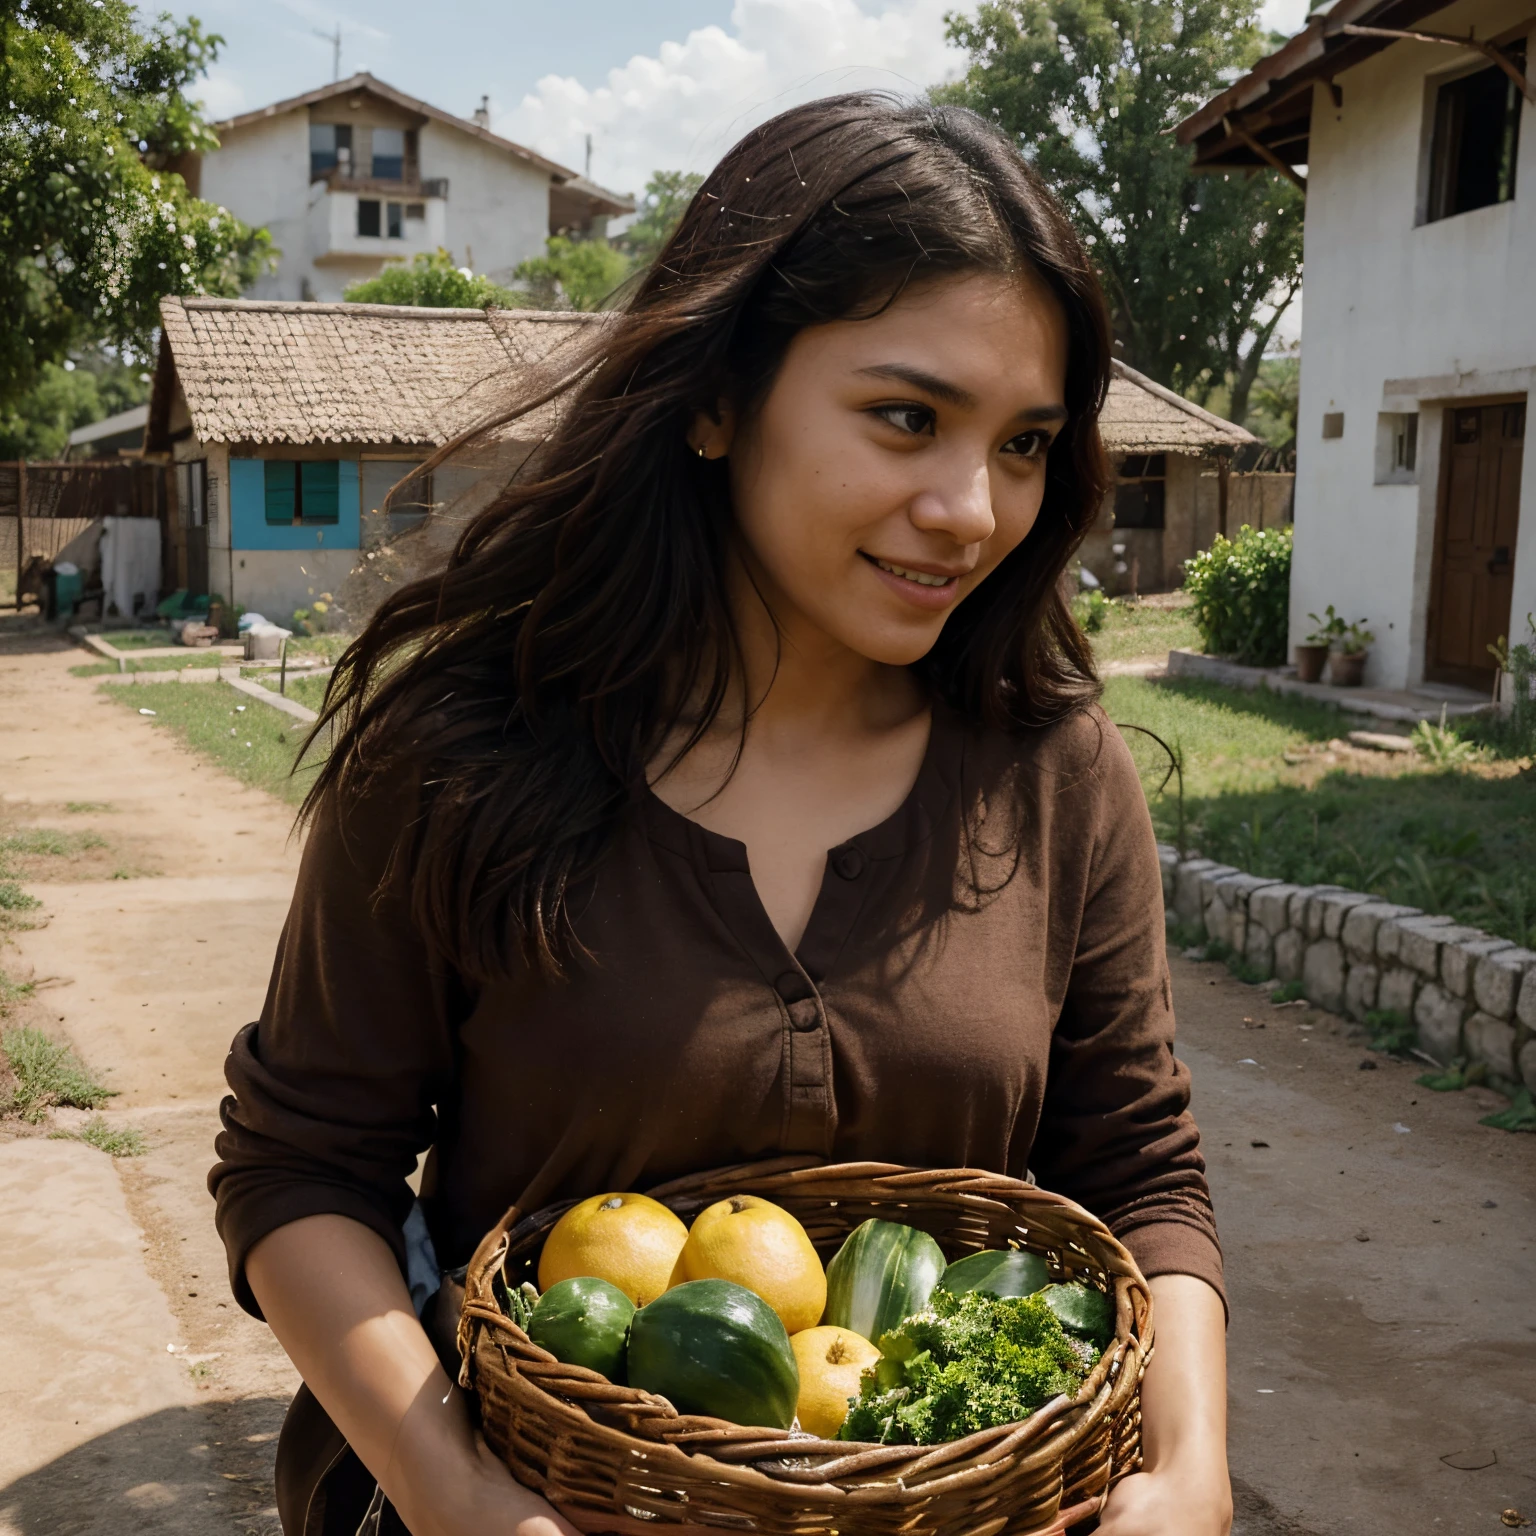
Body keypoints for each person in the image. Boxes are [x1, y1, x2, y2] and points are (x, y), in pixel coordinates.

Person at [211, 93, 1231, 1536]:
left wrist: (1188, 1478)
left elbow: (1139, 1168)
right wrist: (454, 1491)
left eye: (1022, 446)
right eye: (906, 417)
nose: (971, 506)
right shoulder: (461, 752)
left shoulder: (1056, 775)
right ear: (714, 399)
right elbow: (302, 1167)